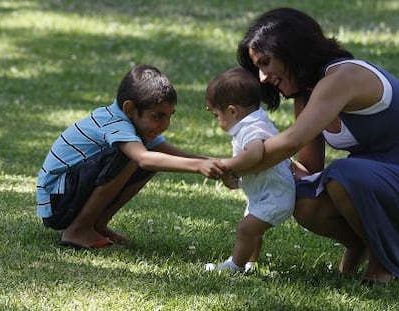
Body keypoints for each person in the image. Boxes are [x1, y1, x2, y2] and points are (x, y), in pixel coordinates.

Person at [237, 7, 399, 283]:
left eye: (265, 62)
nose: (262, 77)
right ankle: (361, 244)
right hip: (382, 182)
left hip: (385, 175)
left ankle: (384, 263)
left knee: (345, 175)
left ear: (291, 50)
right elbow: (308, 169)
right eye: (257, 68)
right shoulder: (306, 95)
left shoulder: (342, 77)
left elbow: (292, 140)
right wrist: (270, 170)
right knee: (303, 199)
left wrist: (234, 166)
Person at [36, 64, 227, 249]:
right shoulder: (116, 123)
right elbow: (143, 158)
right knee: (133, 157)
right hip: (58, 202)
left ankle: (96, 225)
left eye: (169, 116)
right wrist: (198, 167)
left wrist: (216, 163)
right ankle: (78, 230)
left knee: (150, 157)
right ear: (129, 109)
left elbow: (175, 154)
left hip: (68, 196)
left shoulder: (133, 127)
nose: (166, 124)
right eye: (158, 116)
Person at [205, 67, 295, 273]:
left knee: (245, 229)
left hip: (275, 195)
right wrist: (234, 176)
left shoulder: (250, 128)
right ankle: (250, 263)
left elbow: (254, 154)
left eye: (216, 115)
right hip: (265, 192)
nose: (217, 121)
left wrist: (226, 165)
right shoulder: (254, 122)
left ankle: (234, 266)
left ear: (232, 111)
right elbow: (252, 164)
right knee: (253, 231)